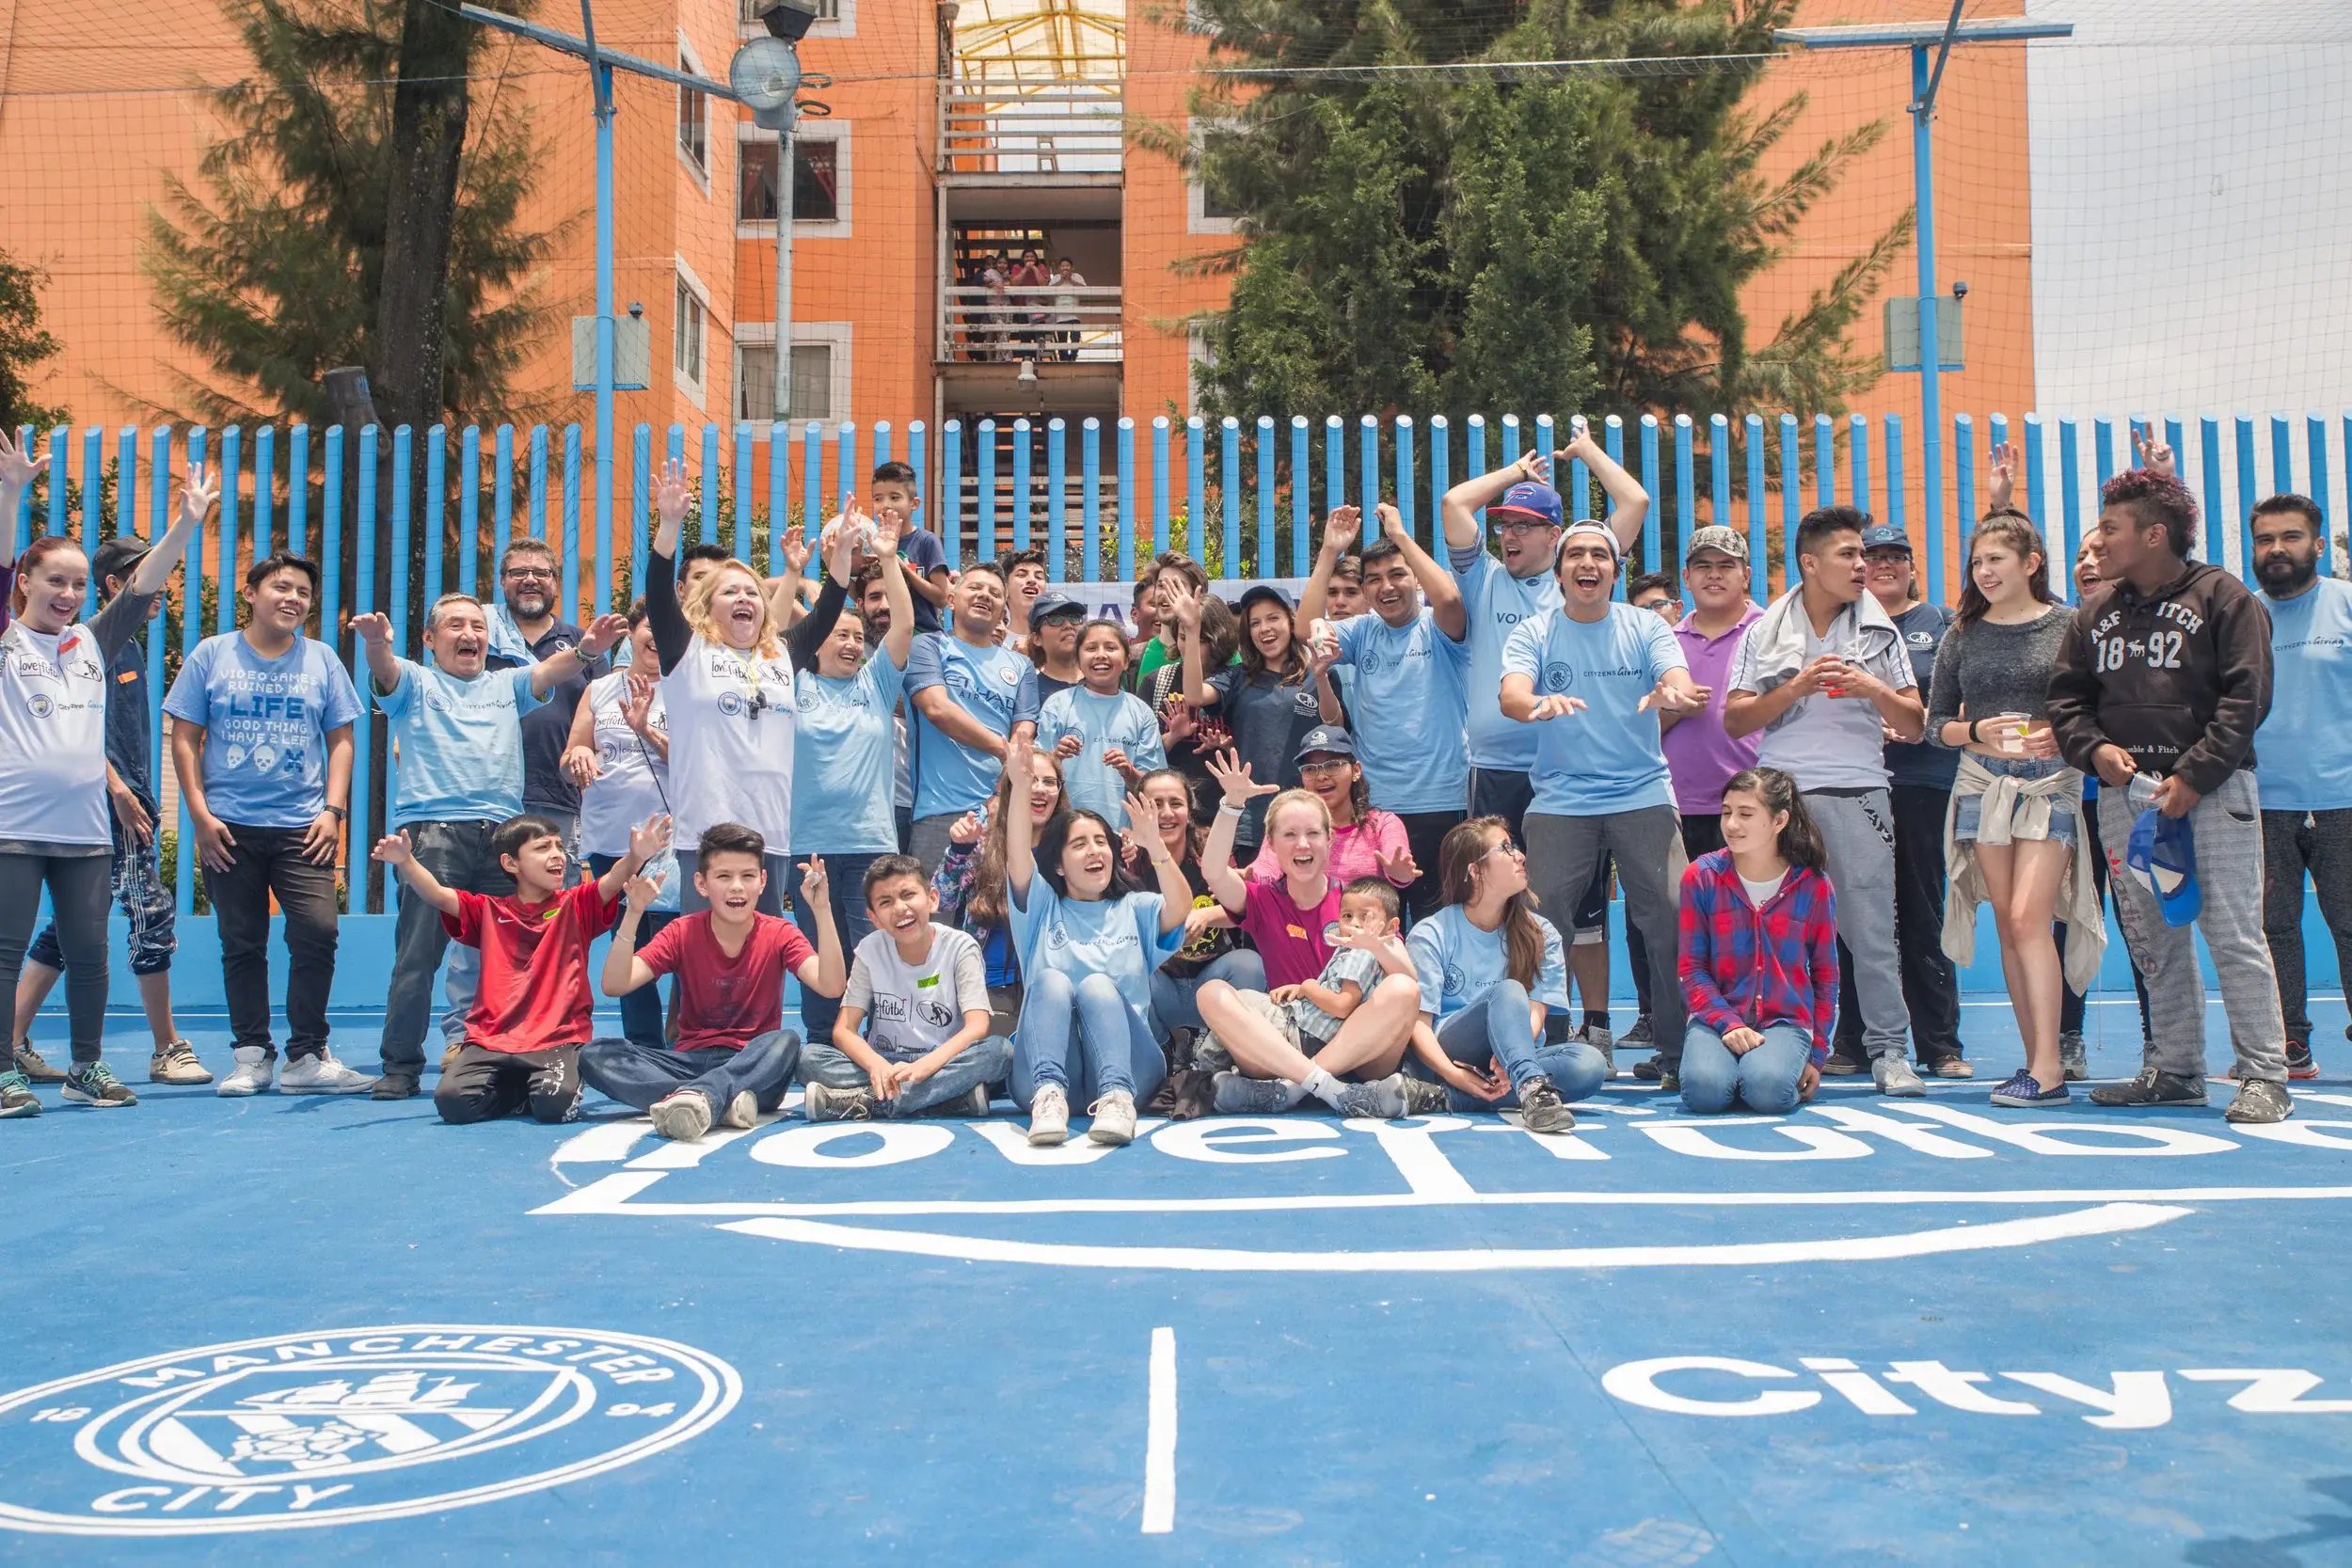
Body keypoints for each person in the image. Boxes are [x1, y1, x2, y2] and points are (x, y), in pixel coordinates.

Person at [2046, 465, 2290, 1122]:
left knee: (2234, 933)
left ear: (2155, 534)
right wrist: (2094, 750)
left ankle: (2266, 1073)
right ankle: (2176, 1066)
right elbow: (2067, 700)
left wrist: (2194, 776)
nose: (2099, 542)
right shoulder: (2096, 613)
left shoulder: (2225, 597)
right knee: (2152, 937)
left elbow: (2247, 699)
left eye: (2113, 529)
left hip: (2213, 792)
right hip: (2128, 797)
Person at [355, 594, 627, 1100]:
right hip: (434, 832)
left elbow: (548, 672)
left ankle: (520, 1046)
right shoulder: (415, 680)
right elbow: (385, 670)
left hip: (504, 836)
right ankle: (400, 1066)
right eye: (455, 625)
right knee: (418, 956)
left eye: (478, 626)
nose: (469, 635)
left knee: (523, 954)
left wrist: (588, 650)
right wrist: (375, 645)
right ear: (430, 639)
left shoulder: (506, 684)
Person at [0, 462, 203, 1118]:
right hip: (13, 828)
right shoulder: (6, 643)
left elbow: (144, 586)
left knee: (90, 953)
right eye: (53, 580)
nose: (66, 592)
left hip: (84, 830)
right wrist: (9, 494)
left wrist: (184, 526)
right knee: (5, 953)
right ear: (25, 582)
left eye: (78, 583)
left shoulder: (92, 640)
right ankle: (4, 1071)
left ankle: (85, 1065)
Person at [1440, 424, 1650, 1048]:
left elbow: (1634, 504)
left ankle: (1596, 1025)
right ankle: (1502, 1022)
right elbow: (1455, 504)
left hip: (1568, 771)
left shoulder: (1577, 581)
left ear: (1557, 539)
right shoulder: (1483, 579)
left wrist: (1585, 452)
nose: (1509, 535)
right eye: (1505, 525)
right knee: (1493, 902)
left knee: (1583, 914)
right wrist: (1514, 474)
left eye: (1525, 526)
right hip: (1495, 768)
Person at [1724, 506, 1928, 1097]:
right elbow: (1736, 721)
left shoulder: (1880, 629)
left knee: (1871, 933)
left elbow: (1915, 725)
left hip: (1859, 791)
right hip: (1781, 798)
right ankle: (1768, 1043)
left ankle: (1889, 1051)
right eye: (1849, 555)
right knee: (1773, 932)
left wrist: (1870, 688)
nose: (1863, 565)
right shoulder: (1764, 630)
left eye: (1864, 555)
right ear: (1810, 564)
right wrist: (1798, 685)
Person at [1502, 516, 1703, 1088]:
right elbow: (1512, 694)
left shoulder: (1644, 626)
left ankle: (1677, 1049)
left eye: (1599, 556)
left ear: (1615, 572)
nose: (1587, 564)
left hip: (1642, 794)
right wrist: (1536, 704)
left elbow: (1679, 680)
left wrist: (1674, 693)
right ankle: (1546, 1050)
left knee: (1668, 914)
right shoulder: (1534, 632)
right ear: (1560, 572)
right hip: (1561, 799)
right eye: (1576, 556)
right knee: (1541, 925)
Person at [166, 546, 372, 1098]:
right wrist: (201, 816)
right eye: (281, 587)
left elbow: (342, 740)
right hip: (228, 827)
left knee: (318, 932)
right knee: (241, 939)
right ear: (252, 594)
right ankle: (251, 1054)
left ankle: (307, 1054)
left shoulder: (322, 659)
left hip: (303, 825)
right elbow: (184, 737)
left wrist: (333, 811)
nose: (293, 599)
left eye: (303, 592)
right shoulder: (212, 654)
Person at [1928, 513, 2096, 1107]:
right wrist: (1975, 730)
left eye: (1996, 559)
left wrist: (2068, 735)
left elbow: (2097, 708)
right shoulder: (1962, 633)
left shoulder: (2072, 626)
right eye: (1977, 561)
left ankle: (2049, 1069)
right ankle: (2035, 1063)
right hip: (1981, 786)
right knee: (2009, 924)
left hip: (2050, 786)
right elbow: (1934, 725)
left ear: (2032, 563)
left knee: (2029, 917)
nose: (1984, 571)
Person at [373, 811, 665, 1126]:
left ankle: (539, 1088)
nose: (556, 855)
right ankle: (518, 1090)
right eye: (542, 848)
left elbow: (611, 880)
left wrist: (636, 856)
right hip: (491, 1039)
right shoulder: (487, 910)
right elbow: (438, 894)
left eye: (557, 846)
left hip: (557, 1039)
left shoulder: (576, 904)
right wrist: (406, 861)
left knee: (554, 1106)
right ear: (510, 863)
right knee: (452, 1103)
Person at [1191, 756, 1425, 1117]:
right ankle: (1327, 1088)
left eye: (1313, 833)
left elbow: (1409, 983)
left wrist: (1378, 946)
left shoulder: (1357, 904)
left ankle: (1291, 1091)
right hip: (1284, 1043)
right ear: (1271, 843)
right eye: (1290, 834)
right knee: (1212, 993)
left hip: (1359, 1050)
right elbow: (1214, 873)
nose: (1303, 844)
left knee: (1404, 989)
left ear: (1330, 840)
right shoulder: (1262, 900)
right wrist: (1231, 805)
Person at [591, 822, 843, 1141]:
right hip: (690, 1060)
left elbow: (831, 986)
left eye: (747, 876)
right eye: (724, 877)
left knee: (785, 1042)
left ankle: (696, 1098)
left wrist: (822, 910)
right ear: (701, 883)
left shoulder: (780, 933)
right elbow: (615, 984)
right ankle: (717, 1102)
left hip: (751, 1064)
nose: (736, 887)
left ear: (763, 881)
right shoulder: (681, 932)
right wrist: (634, 912)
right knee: (598, 1053)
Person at [1001, 746, 1189, 1148]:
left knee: (1097, 987)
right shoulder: (1039, 907)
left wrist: (1155, 845)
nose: (1094, 851)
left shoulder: (1135, 907)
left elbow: (1180, 907)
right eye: (1079, 844)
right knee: (1050, 981)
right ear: (1057, 864)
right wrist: (1020, 788)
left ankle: (1117, 1099)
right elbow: (1018, 856)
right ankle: (1049, 1096)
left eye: (1101, 841)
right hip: (1043, 1074)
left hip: (1131, 1069)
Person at [1835, 520, 1969, 1078]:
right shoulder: (1840, 622)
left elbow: (1960, 700)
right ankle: (1855, 1041)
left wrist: (1912, 721)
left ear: (1913, 567)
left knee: (1922, 911)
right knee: (1855, 914)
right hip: (1853, 783)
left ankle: (1939, 1044)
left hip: (1923, 784)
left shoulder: (1941, 623)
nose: (1884, 566)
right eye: (1873, 556)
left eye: (1896, 556)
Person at [783, 511, 916, 1051]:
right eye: (838, 632)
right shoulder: (790, 684)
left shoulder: (878, 683)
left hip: (869, 846)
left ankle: (881, 1045)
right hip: (808, 847)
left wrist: (887, 555)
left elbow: (903, 626)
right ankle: (821, 1047)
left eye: (857, 636)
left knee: (874, 953)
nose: (850, 643)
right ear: (815, 640)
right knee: (820, 954)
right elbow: (773, 632)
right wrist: (798, 573)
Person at [1300, 502, 1469, 921]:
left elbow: (1448, 595)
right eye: (1373, 580)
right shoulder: (1361, 631)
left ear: (1414, 577)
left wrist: (1401, 537)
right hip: (1376, 807)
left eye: (1397, 575)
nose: (1386, 587)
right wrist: (1329, 552)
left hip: (1441, 801)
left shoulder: (1440, 626)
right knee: (1373, 924)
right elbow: (1305, 628)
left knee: (1438, 924)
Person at [645, 458, 799, 912]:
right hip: (705, 834)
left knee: (762, 963)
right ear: (705, 605)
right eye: (730, 592)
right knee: (700, 966)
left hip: (769, 834)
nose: (744, 598)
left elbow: (828, 612)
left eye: (752, 591)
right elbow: (656, 593)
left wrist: (840, 564)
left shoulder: (780, 655)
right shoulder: (686, 652)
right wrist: (669, 525)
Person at [1645, 525, 1763, 1076]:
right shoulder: (1663, 639)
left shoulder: (1769, 632)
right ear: (1686, 578)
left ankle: (1759, 1030)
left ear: (1746, 574)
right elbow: (1640, 724)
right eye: (1703, 566)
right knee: (1675, 931)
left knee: (1751, 928)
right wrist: (1675, 710)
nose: (1715, 575)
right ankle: (1684, 1038)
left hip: (1752, 809)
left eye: (1727, 565)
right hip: (1673, 804)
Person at [1404, 816, 1604, 1132]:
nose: (1520, 856)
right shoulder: (1432, 932)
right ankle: (1530, 1089)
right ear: (1475, 870)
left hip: (1510, 1058)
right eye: (1506, 848)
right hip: (1452, 1051)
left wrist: (1510, 1057)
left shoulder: (1542, 933)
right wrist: (1455, 1075)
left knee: (1590, 1064)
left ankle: (1448, 1098)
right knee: (1508, 991)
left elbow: (1537, 1013)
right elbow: (1418, 1025)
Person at [2249, 491, 2344, 1083]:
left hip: (2344, 800)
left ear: (2316, 543)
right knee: (2271, 928)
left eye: (2290, 537)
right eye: (2265, 540)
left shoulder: (2347, 605)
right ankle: (2290, 1045)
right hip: (2261, 803)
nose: (2277, 549)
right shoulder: (2242, 614)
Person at [802, 854, 1013, 1121]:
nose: (900, 908)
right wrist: (875, 1064)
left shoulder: (961, 947)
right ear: (874, 917)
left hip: (942, 1062)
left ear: (932, 899)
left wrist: (927, 1065)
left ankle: (866, 1101)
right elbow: (844, 1030)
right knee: (809, 1058)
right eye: (885, 902)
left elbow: (977, 1026)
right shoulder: (870, 949)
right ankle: (942, 1101)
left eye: (908, 895)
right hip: (885, 1063)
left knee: (999, 1052)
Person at [1198, 877, 1430, 1119]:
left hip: (1307, 1037)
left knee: (1217, 994)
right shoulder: (1353, 949)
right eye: (1347, 916)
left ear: (1391, 926)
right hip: (1313, 1037)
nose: (1354, 924)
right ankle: (1326, 1089)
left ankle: (1294, 1088)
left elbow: (1343, 1005)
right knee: (1226, 995)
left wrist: (1308, 987)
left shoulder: (1364, 952)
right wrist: (1303, 988)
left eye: (1365, 916)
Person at [1677, 768, 1837, 1116]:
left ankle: (1761, 1072)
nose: (1732, 824)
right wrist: (1727, 1022)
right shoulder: (1700, 876)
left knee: (1768, 1091)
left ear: (1779, 821)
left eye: (1746, 814)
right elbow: (1691, 969)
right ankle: (1735, 1072)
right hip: (1714, 1017)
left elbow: (1826, 974)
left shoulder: (1813, 885)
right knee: (1703, 1091)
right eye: (1726, 812)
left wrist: (1818, 1054)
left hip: (1786, 1020)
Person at [2058, 533, 2153, 1075]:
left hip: (2135, 798)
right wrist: (2001, 509)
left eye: (2100, 553)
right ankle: (2067, 1038)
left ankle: (2159, 1041)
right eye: (2079, 555)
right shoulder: (2062, 626)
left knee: (2144, 922)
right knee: (2068, 923)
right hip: (2073, 802)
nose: (2087, 564)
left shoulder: (2153, 624)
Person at [562, 605, 673, 1048]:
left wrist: (646, 729)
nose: (658, 640)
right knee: (627, 939)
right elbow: (571, 757)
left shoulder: (688, 691)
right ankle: (645, 1049)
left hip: (671, 838)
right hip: (614, 841)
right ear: (634, 633)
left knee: (680, 944)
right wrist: (579, 757)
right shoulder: (600, 689)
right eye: (651, 628)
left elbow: (700, 766)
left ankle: (691, 1041)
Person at [1174, 578, 1343, 857]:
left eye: (1273, 618)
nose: (1264, 629)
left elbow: (1335, 724)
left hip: (1311, 815)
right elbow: (1193, 695)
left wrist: (1321, 676)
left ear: (1291, 622)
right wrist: (1192, 632)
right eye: (1255, 623)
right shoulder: (1238, 677)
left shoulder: (1319, 672)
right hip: (1253, 821)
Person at [906, 561, 1040, 874]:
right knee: (936, 920)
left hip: (1000, 813)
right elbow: (938, 710)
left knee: (996, 920)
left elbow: (1024, 733)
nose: (985, 596)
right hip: (939, 814)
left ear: (1002, 609)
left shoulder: (1021, 666)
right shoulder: (928, 646)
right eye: (975, 588)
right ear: (951, 599)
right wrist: (1002, 749)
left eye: (995, 593)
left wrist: (998, 796)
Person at [485, 538, 605, 875]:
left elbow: (605, 712)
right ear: (502, 581)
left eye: (541, 572)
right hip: (490, 799)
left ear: (555, 582)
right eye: (518, 572)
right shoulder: (481, 640)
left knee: (556, 912)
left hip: (558, 797)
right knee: (492, 907)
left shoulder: (586, 645)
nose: (530, 580)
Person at [932, 743, 1066, 1038]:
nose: (1039, 789)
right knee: (999, 1054)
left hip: (1051, 984)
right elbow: (940, 899)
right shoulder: (982, 843)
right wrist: (958, 851)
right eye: (1029, 779)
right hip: (990, 986)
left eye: (1049, 782)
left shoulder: (1072, 848)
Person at [1132, 767, 1265, 1043]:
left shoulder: (1208, 845)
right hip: (1158, 985)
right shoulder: (1128, 857)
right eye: (1156, 805)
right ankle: (1163, 1053)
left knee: (1249, 963)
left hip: (1212, 978)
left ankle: (1223, 1051)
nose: (1167, 813)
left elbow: (1242, 909)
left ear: (1189, 810)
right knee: (1125, 971)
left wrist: (1208, 914)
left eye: (1176, 803)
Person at [1245, 728, 1420, 893]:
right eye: (1310, 769)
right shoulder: (1288, 824)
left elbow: (1399, 865)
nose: (1321, 776)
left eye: (1333, 766)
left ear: (1356, 771)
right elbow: (1265, 868)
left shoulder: (1383, 823)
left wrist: (1400, 873)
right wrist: (1249, 876)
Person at [1041, 618, 1165, 830]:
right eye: (1090, 648)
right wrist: (1055, 758)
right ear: (1078, 661)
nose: (1101, 655)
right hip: (1063, 830)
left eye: (1110, 647)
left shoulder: (1141, 712)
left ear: (1126, 661)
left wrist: (1129, 772)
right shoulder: (1057, 705)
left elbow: (1156, 785)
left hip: (1123, 834)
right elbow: (1035, 772)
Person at [1026, 590, 1086, 696]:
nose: (1068, 625)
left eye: (1074, 618)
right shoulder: (1029, 692)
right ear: (1037, 638)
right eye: (1055, 619)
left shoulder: (1103, 683)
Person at [1001, 547, 1049, 652]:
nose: (1032, 580)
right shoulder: (994, 640)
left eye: (1039, 577)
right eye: (1022, 575)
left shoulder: (1053, 642)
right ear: (1005, 588)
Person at [1048, 256, 1088, 360]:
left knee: (1075, 337)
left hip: (1074, 315)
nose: (1065, 268)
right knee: (1062, 340)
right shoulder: (1056, 278)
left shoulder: (1077, 276)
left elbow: (1085, 290)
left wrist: (1070, 279)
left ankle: (1073, 357)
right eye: (1062, 266)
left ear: (1072, 267)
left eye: (1067, 265)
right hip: (1060, 316)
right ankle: (1064, 359)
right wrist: (1061, 280)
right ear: (1058, 268)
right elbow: (1049, 291)